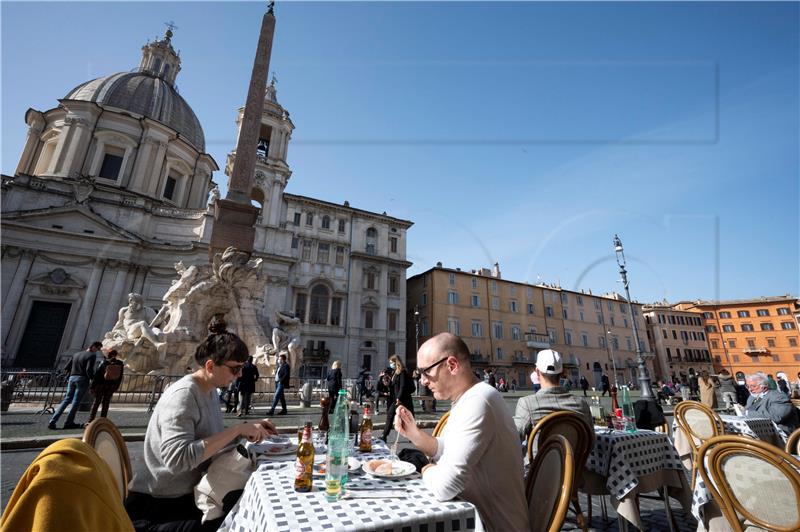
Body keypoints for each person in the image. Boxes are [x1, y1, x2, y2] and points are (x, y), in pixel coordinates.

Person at [125, 317, 276, 532]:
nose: (240, 374)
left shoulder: (209, 390)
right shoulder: (184, 395)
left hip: (188, 495)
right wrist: (237, 430)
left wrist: (247, 428)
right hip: (158, 507)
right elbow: (177, 460)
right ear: (210, 366)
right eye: (235, 369)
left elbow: (208, 438)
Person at [393, 333, 529, 531]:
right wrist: (412, 433)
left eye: (426, 371)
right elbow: (447, 449)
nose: (422, 380)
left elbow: (444, 487)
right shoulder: (468, 399)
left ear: (452, 365)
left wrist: (423, 467)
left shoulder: (479, 401)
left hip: (493, 525)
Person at [513, 349, 593, 441]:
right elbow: (591, 441)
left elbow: (514, 439)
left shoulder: (526, 404)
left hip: (540, 455)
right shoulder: (582, 403)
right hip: (576, 455)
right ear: (562, 373)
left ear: (537, 372)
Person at [48, 341, 102, 430]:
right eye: (98, 348)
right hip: (82, 379)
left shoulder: (76, 354)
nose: (97, 351)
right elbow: (89, 370)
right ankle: (69, 422)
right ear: (93, 347)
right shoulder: (91, 355)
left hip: (72, 378)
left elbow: (66, 367)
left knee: (66, 400)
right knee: (76, 401)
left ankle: (52, 421)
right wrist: (93, 379)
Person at [381, 354, 415, 441]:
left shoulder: (402, 372)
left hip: (403, 399)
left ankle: (412, 435)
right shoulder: (394, 373)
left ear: (396, 362)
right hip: (396, 399)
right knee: (390, 415)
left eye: (391, 362)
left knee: (408, 418)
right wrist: (387, 383)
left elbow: (402, 386)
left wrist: (398, 398)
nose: (390, 364)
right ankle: (384, 436)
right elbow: (394, 386)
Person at [87, 349, 124, 423]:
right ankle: (103, 419)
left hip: (101, 385)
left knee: (96, 403)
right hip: (111, 386)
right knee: (106, 403)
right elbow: (120, 377)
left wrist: (92, 387)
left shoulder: (103, 362)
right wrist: (116, 386)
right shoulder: (120, 363)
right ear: (115, 355)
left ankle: (90, 420)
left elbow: (97, 376)